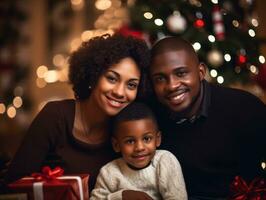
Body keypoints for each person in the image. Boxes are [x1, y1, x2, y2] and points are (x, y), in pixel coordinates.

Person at [3, 34, 150, 193]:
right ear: (93, 76)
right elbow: (13, 186)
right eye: (112, 78)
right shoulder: (55, 116)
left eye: (131, 85)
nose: (120, 92)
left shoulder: (126, 131)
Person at [148, 36, 266, 199]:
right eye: (160, 78)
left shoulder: (244, 108)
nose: (172, 85)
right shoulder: (149, 118)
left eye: (181, 73)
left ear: (201, 72)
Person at [90, 102, 188, 200]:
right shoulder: (108, 173)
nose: (140, 147)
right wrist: (121, 196)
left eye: (147, 139)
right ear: (116, 145)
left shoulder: (165, 161)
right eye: (130, 141)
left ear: (157, 139)